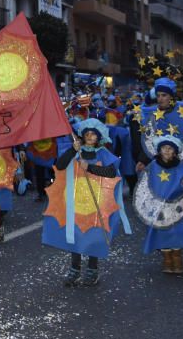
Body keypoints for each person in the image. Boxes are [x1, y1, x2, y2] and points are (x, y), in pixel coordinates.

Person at [42, 119, 128, 287]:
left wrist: (89, 167)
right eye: (87, 134)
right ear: (82, 136)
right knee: (75, 235)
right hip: (76, 203)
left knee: (93, 235)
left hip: (97, 203)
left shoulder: (103, 153)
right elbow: (59, 166)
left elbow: (111, 172)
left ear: (99, 136)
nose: (89, 137)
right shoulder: (75, 151)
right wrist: (71, 151)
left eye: (93, 134)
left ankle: (92, 269)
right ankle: (75, 268)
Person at [136, 138, 183, 275]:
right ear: (159, 151)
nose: (166, 150)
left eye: (170, 148)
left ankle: (177, 259)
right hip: (158, 206)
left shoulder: (180, 167)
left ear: (175, 153)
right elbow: (145, 182)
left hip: (177, 205)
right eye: (163, 148)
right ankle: (167, 259)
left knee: (177, 231)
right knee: (161, 232)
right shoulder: (153, 166)